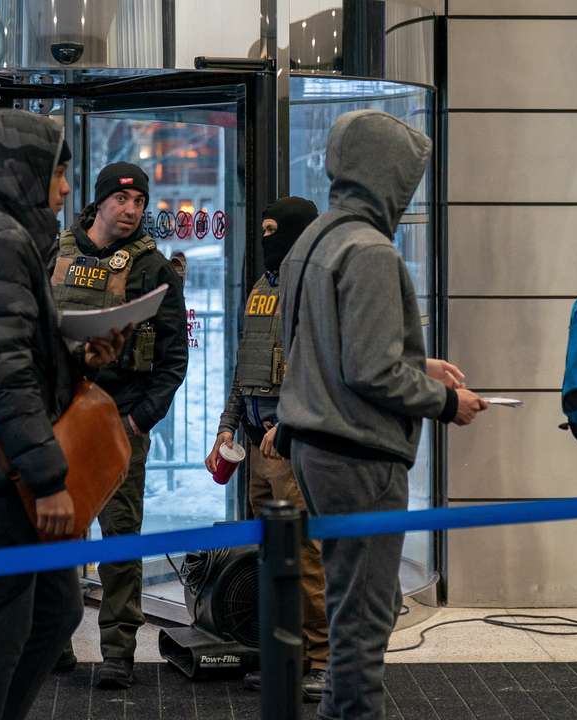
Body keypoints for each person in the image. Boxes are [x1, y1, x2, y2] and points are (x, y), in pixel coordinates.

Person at [272, 109, 488, 720]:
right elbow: (369, 372)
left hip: (315, 450)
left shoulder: (311, 241)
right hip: (359, 455)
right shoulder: (369, 251)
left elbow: (324, 351)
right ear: (385, 173)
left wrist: (421, 367)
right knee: (364, 624)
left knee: (349, 613)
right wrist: (447, 401)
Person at [0, 109, 127, 720]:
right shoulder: (3, 241)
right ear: (22, 174)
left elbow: (7, 352)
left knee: (55, 611)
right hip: (2, 473)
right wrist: (47, 481)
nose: (67, 189)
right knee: (5, 623)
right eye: (58, 173)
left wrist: (75, 353)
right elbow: (4, 376)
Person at [50, 162, 189, 688]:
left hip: (117, 422)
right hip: (59, 419)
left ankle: (117, 652)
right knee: (55, 534)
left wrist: (140, 418)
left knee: (119, 540)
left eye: (138, 203)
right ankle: (55, 641)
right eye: (121, 201)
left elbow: (174, 356)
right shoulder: (57, 255)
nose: (131, 211)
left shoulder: (154, 268)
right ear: (101, 201)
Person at [207, 195, 329, 700]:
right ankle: (287, 656)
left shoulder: (316, 291)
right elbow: (245, 368)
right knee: (271, 559)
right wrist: (226, 427)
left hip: (293, 447)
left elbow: (320, 371)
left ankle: (321, 660)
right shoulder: (263, 287)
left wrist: (290, 423)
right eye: (264, 232)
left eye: (276, 233)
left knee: (305, 558)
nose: (267, 243)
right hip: (257, 448)